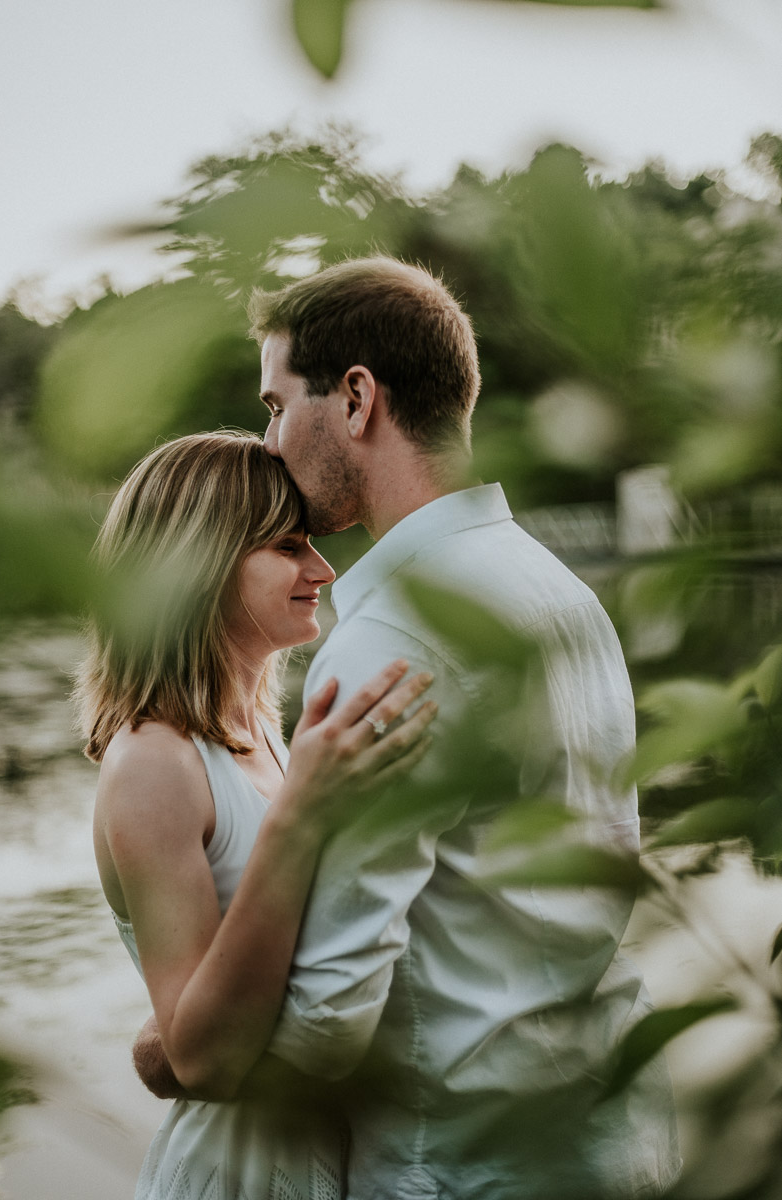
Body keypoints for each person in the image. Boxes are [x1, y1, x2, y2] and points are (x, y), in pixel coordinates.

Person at [138, 258, 681, 1198]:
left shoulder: (391, 638)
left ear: (355, 398)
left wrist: (173, 1056)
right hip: (609, 1135)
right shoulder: (559, 591)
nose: (270, 442)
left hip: (460, 1163)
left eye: (275, 405)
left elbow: (326, 1021)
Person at [77, 430, 438, 1200]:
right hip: (239, 1174)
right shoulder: (154, 761)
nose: (323, 569)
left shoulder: (266, 735)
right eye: (285, 546)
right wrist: (303, 816)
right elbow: (204, 1059)